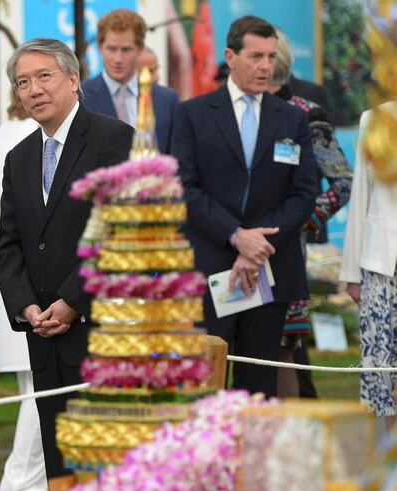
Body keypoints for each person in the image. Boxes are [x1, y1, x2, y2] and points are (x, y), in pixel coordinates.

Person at [0, 38, 133, 491]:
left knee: (107, 468)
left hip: (101, 331)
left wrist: (74, 300)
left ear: (74, 79)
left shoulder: (115, 139)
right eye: (22, 82)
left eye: (43, 76)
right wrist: (26, 306)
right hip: (45, 334)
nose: (33, 89)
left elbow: (119, 233)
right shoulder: (19, 157)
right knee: (61, 470)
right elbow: (9, 246)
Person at [170, 15, 317, 397]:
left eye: (271, 56)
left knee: (259, 388)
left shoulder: (293, 119)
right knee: (205, 384)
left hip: (269, 269)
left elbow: (303, 192)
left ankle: (255, 458)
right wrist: (236, 236)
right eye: (256, 56)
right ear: (230, 57)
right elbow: (184, 188)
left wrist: (256, 246)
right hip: (210, 269)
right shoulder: (192, 114)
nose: (266, 66)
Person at [267, 32, 352, 398]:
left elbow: (343, 182)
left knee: (283, 347)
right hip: (233, 248)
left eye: (264, 57)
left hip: (286, 249)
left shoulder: (305, 114)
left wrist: (302, 219)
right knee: (237, 350)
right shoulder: (229, 111)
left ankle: (288, 445)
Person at [0, 90, 49, 491]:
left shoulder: (2, 134)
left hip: (14, 279)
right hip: (25, 281)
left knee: (35, 386)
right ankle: (19, 479)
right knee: (36, 388)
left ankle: (27, 477)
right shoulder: (22, 139)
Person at [340, 101, 397, 434]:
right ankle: (392, 467)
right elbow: (360, 194)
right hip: (381, 265)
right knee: (386, 380)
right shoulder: (374, 119)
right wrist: (351, 273)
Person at [81, 9, 178, 153]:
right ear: (100, 47)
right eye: (112, 49)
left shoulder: (167, 100)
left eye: (126, 50)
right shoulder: (80, 97)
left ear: (139, 49)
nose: (118, 59)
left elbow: (175, 156)